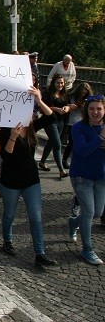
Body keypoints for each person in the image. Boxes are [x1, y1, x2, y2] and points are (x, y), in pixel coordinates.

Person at [0, 87, 59, 266]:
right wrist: (13, 137)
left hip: (31, 179)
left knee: (36, 216)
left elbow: (52, 117)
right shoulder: (6, 128)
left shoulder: (32, 126)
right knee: (9, 214)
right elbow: (6, 156)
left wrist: (39, 100)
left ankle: (39, 253)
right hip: (11, 180)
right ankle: (7, 241)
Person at [67, 94, 105, 265]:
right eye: (91, 109)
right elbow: (82, 151)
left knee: (98, 213)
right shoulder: (78, 128)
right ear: (86, 110)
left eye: (99, 109)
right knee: (89, 212)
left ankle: (74, 222)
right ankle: (87, 249)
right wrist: (101, 138)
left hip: (101, 177)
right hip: (81, 177)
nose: (95, 112)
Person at [38, 74, 72, 179]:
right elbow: (43, 107)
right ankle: (61, 170)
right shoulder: (48, 93)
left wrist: (67, 108)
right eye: (58, 82)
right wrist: (56, 109)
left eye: (62, 82)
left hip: (61, 121)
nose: (60, 85)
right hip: (49, 121)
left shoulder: (65, 93)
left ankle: (42, 162)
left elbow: (68, 105)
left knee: (52, 142)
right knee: (57, 144)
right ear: (53, 83)